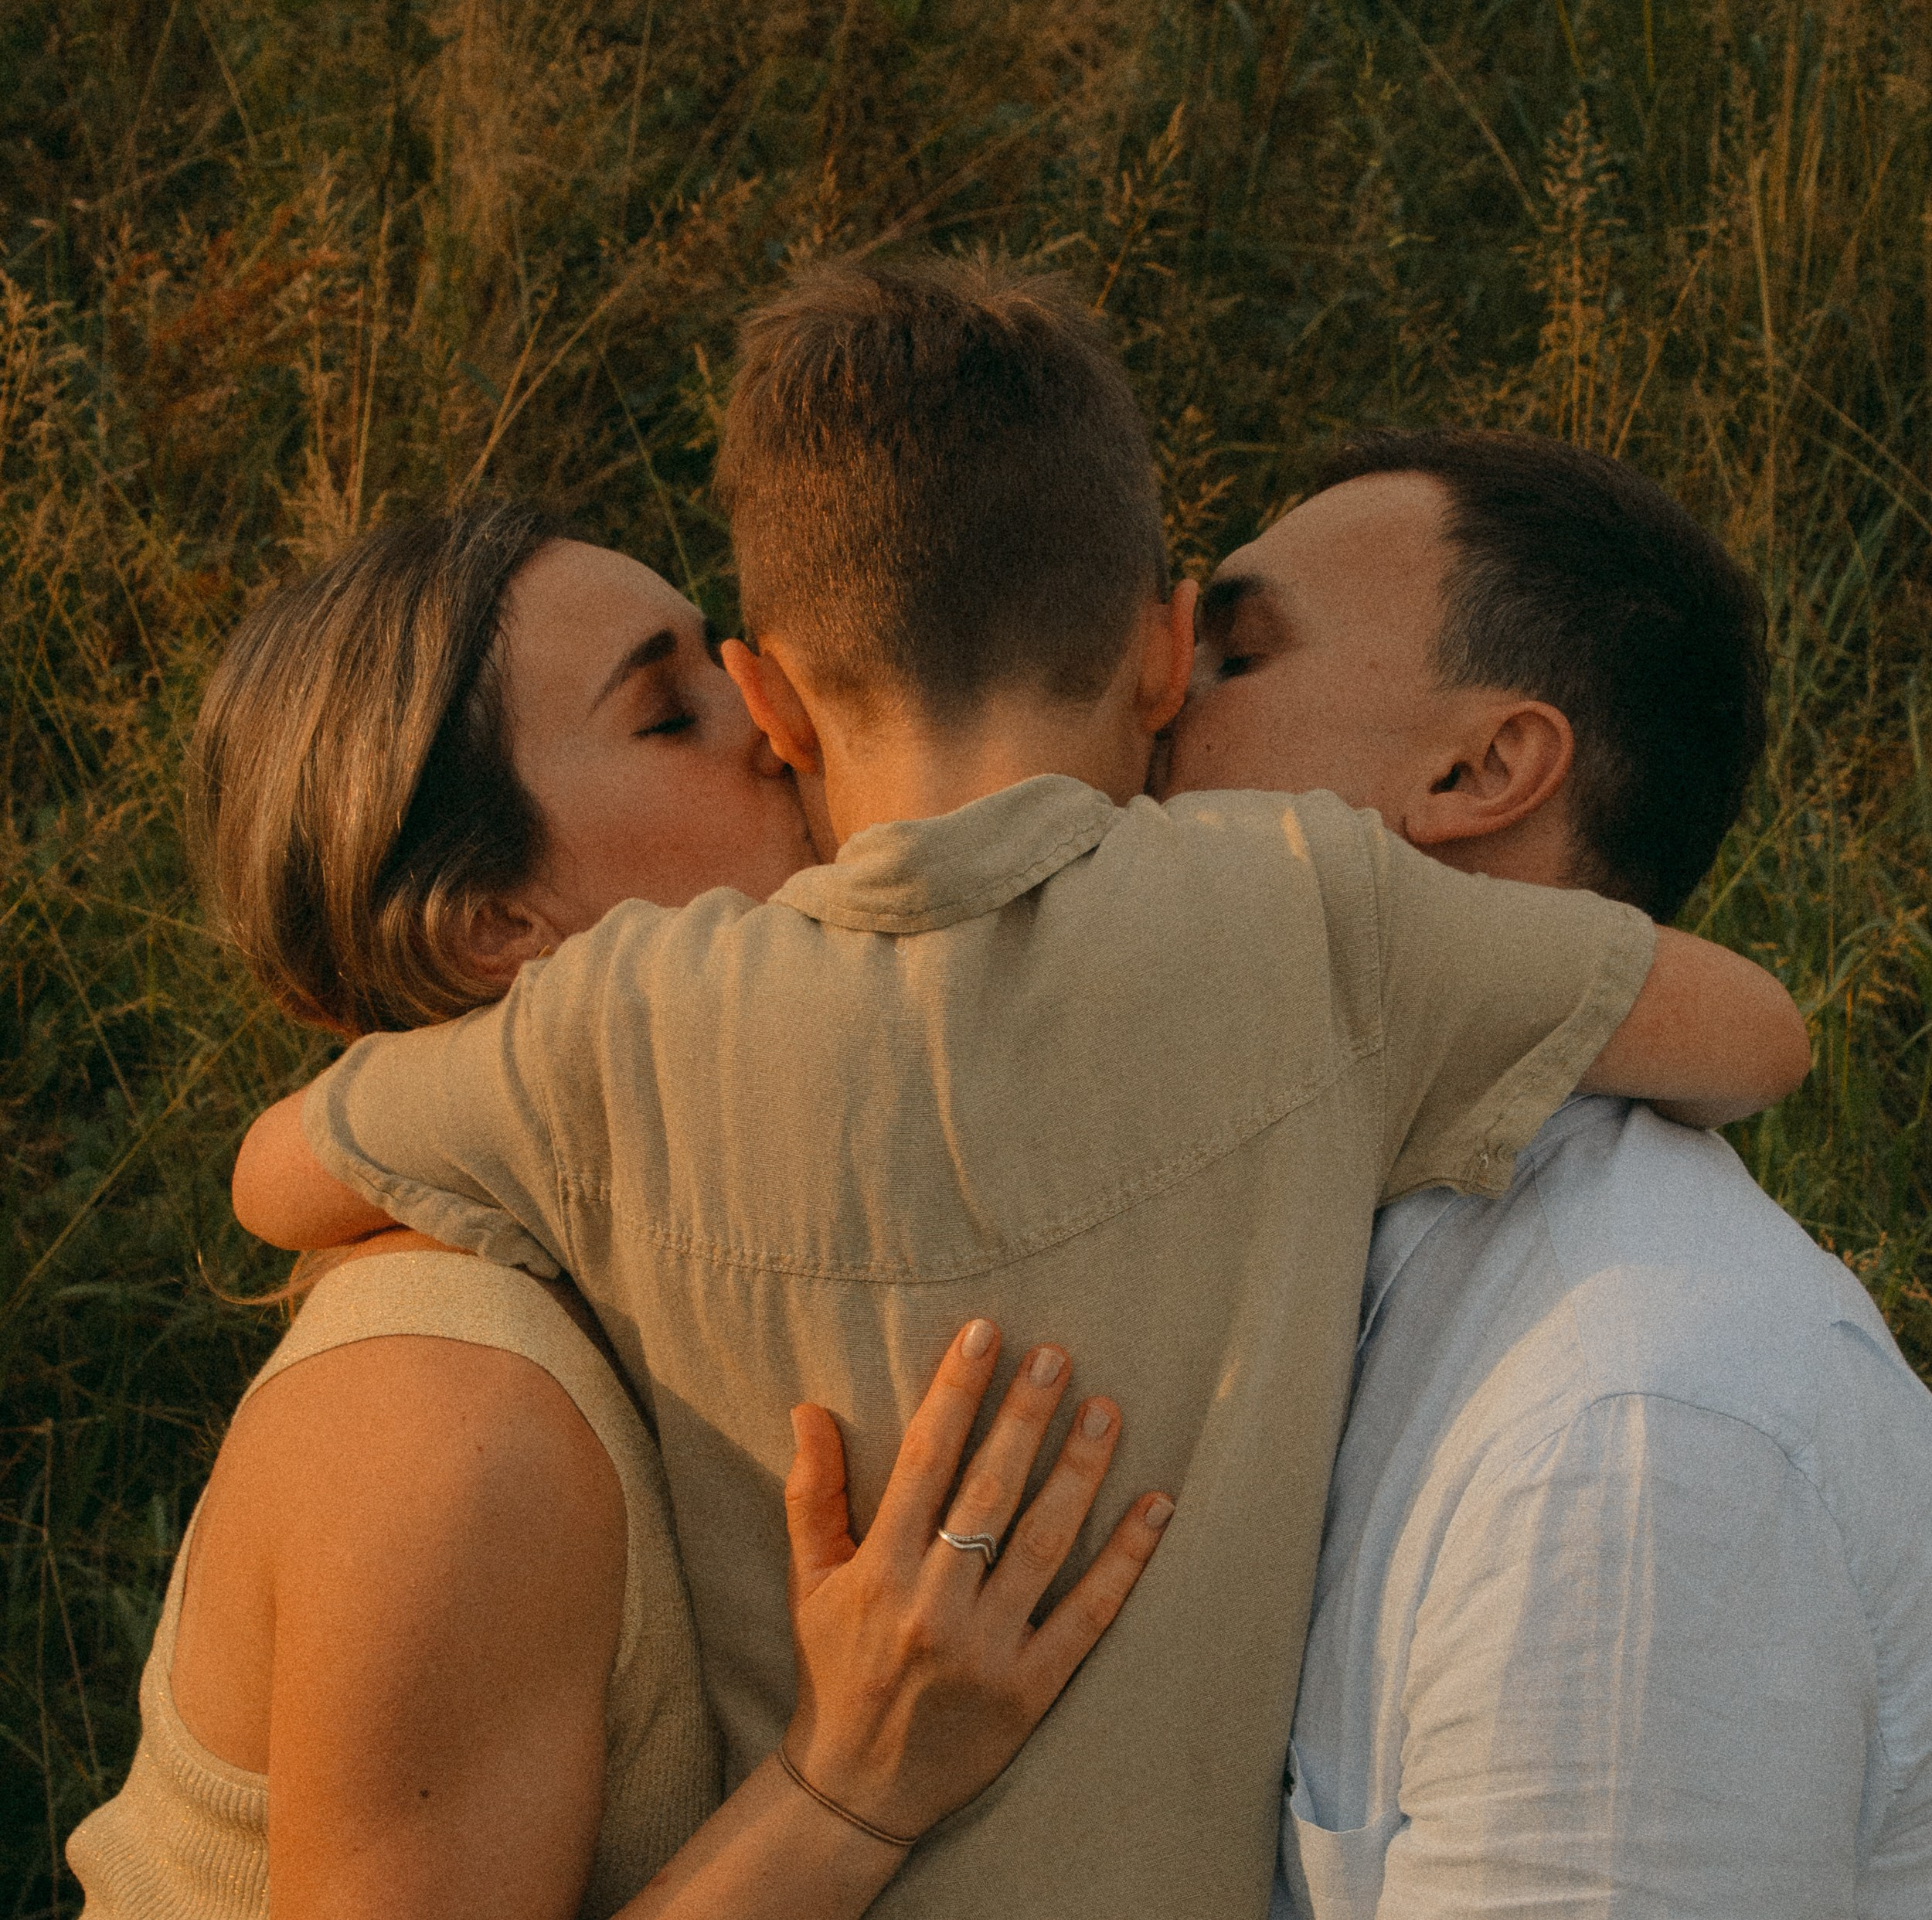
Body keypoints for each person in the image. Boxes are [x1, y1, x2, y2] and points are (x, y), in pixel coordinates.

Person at [230, 260, 1810, 1920]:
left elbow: (276, 1174)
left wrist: (491, 1070)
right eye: (662, 714)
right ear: (1158, 650)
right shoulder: (1314, 916)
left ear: (778, 696)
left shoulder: (605, 1032)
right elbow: (1756, 1036)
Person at [66, 507, 1173, 1920]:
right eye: (669, 714)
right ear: (497, 927)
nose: (778, 716)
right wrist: (853, 1785)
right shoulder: (449, 1421)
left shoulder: (680, 1239)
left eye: (733, 658)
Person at [1166, 427, 1932, 1918]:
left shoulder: (1628, 1434)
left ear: (1480, 770)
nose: (1147, 694)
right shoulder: (1330, 1246)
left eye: (1235, 658)